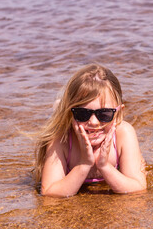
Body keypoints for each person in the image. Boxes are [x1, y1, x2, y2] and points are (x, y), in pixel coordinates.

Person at [34, 64, 146, 197]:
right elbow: (48, 192)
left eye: (104, 114)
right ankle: (60, 107)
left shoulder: (124, 134)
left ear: (118, 113)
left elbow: (138, 187)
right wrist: (84, 164)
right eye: (82, 113)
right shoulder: (61, 138)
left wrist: (104, 166)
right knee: (55, 122)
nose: (93, 122)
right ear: (71, 113)